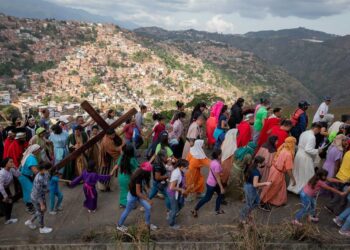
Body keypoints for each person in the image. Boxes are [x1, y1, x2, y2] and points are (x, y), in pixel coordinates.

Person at [116, 162, 156, 233]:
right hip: (133, 196)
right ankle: (119, 225)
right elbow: (138, 193)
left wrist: (147, 190)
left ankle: (147, 224)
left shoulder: (141, 174)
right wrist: (148, 199)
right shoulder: (138, 178)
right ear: (145, 172)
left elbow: (144, 187)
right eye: (149, 172)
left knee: (148, 208)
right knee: (127, 210)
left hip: (138, 195)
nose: (150, 174)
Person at [260, 137, 297, 210]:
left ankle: (275, 201)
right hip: (278, 173)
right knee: (272, 188)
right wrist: (293, 179)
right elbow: (288, 169)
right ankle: (263, 202)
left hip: (273, 169)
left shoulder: (283, 147)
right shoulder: (289, 154)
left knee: (277, 187)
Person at [288, 123, 322, 194]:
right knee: (307, 174)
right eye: (318, 131)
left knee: (297, 172)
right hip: (305, 157)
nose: (318, 133)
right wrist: (318, 150)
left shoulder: (304, 133)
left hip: (298, 155)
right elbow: (308, 149)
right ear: (316, 129)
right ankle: (302, 190)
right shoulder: (312, 137)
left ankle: (293, 187)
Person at [191, 149, 225, 217]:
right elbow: (217, 177)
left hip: (210, 182)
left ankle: (218, 208)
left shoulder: (212, 161)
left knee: (220, 195)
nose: (222, 155)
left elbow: (212, 171)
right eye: (221, 154)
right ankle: (195, 209)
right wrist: (221, 187)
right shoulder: (217, 164)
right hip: (212, 184)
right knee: (207, 198)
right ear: (218, 156)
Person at [240, 156, 272, 223]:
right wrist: (266, 183)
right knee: (249, 204)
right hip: (250, 188)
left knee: (257, 201)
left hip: (247, 185)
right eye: (263, 162)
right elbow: (255, 184)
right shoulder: (256, 173)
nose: (264, 163)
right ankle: (242, 218)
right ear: (259, 164)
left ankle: (248, 214)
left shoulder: (251, 166)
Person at [24, 162, 52, 234]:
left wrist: (48, 188)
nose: (48, 171)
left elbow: (47, 181)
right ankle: (42, 228)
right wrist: (41, 204)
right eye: (47, 169)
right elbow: (38, 193)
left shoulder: (46, 173)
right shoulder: (38, 179)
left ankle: (30, 221)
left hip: (41, 195)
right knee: (41, 212)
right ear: (42, 170)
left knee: (40, 211)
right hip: (36, 197)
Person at [325, 150, 350, 215]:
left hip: (339, 175)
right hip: (346, 180)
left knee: (338, 194)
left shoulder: (348, 152)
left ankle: (329, 206)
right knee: (344, 199)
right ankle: (339, 215)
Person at [18, 144, 41, 213]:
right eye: (39, 149)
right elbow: (35, 170)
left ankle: (30, 206)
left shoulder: (29, 156)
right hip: (24, 176)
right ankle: (30, 208)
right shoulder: (31, 158)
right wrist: (43, 174)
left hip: (23, 176)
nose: (40, 151)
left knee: (27, 192)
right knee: (31, 191)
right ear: (35, 150)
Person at [168, 159, 189, 229]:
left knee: (181, 204)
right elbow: (171, 187)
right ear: (182, 167)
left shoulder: (181, 171)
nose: (187, 169)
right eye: (186, 168)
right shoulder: (176, 174)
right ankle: (171, 224)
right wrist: (181, 189)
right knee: (174, 210)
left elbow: (182, 179)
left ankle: (172, 213)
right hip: (173, 194)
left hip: (179, 193)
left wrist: (184, 185)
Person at [0, 158, 21, 224]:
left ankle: (6, 216)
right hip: (1, 189)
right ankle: (8, 219)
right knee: (8, 202)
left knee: (8, 202)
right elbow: (0, 186)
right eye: (11, 162)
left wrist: (16, 168)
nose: (13, 163)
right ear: (6, 164)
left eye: (13, 161)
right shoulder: (2, 173)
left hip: (5, 188)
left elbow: (18, 175)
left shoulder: (11, 170)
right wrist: (5, 196)